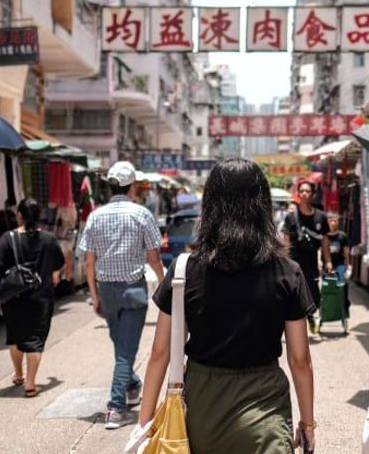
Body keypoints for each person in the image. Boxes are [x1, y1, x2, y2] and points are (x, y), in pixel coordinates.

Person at [136, 158, 316, 453]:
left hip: (201, 408)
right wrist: (307, 425)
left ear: (210, 204)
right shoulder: (287, 271)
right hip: (265, 407)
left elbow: (160, 353)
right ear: (262, 205)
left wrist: (144, 424)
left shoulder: (185, 270)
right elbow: (300, 360)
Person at [80, 161, 164, 430]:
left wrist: (95, 296)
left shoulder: (96, 216)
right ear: (133, 185)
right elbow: (153, 256)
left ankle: (133, 384)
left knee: (121, 346)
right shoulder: (141, 214)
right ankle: (116, 408)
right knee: (126, 351)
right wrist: (163, 283)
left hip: (107, 291)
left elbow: (88, 262)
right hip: (133, 289)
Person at [0, 198, 65, 397]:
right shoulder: (49, 239)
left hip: (14, 298)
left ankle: (18, 374)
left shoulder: (7, 239)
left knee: (15, 337)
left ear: (20, 216)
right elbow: (59, 263)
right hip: (41, 298)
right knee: (35, 340)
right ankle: (31, 383)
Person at [282, 181, 332, 335]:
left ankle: (310, 316)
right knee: (293, 293)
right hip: (294, 262)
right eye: (301, 191)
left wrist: (328, 260)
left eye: (307, 191)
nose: (304, 194)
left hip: (311, 262)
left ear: (313, 194)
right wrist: (284, 261)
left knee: (314, 296)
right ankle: (296, 324)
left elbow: (324, 241)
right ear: (298, 194)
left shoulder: (321, 217)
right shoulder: (291, 217)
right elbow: (286, 240)